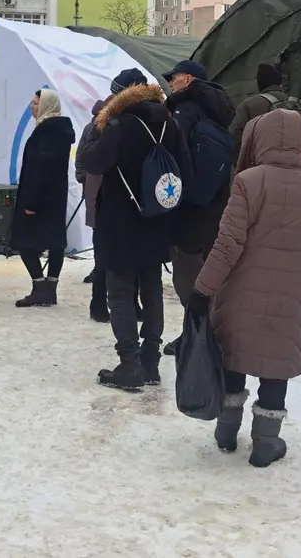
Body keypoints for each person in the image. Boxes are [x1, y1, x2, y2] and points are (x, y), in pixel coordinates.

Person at [188, 109, 301, 468]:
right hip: (291, 295)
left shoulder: (247, 182)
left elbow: (228, 244)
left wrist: (203, 289)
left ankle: (226, 430)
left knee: (233, 357)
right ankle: (266, 443)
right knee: (275, 367)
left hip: (241, 291)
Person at [81, 71, 188, 390]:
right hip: (156, 218)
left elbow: (92, 161)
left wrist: (99, 128)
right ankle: (150, 362)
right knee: (151, 287)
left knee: (120, 292)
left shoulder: (119, 125)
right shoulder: (169, 123)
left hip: (121, 221)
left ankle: (129, 363)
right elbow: (185, 168)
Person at [161, 59, 237, 356]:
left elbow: (172, 154)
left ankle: (198, 338)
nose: (170, 82)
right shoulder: (218, 109)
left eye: (174, 76)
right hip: (215, 202)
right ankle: (206, 333)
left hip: (189, 207)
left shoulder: (185, 110)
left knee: (187, 276)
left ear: (189, 79)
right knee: (209, 272)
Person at [10, 89, 75, 308]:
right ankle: (50, 289)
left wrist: (32, 202)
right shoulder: (58, 129)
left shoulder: (47, 131)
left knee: (24, 242)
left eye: (36, 103)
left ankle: (40, 288)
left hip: (40, 197)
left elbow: (42, 169)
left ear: (47, 105)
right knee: (55, 242)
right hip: (55, 197)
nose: (32, 107)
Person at [228, 63, 301, 183]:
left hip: (262, 179)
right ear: (280, 83)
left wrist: (245, 174)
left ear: (259, 85)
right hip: (300, 177)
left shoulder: (249, 106)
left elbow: (235, 142)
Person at [73, 93, 114, 323]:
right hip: (99, 198)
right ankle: (98, 304)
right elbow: (81, 157)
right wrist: (85, 180)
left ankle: (128, 303)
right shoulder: (95, 126)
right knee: (102, 255)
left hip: (109, 198)